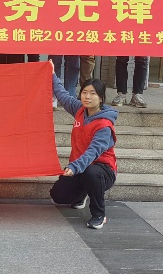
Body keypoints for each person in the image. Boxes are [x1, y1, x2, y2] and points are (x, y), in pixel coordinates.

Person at [50, 74, 118, 230]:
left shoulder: (104, 125)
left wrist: (74, 167)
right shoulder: (80, 109)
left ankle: (99, 215)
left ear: (101, 98)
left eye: (93, 93)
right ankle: (81, 195)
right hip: (80, 168)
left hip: (102, 170)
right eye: (84, 92)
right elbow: (63, 95)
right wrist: (52, 74)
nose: (87, 97)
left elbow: (93, 152)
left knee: (91, 173)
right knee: (58, 195)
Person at [110, 0, 163, 109]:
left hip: (144, 19)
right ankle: (121, 93)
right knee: (122, 58)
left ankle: (137, 94)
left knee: (142, 59)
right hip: (122, 17)